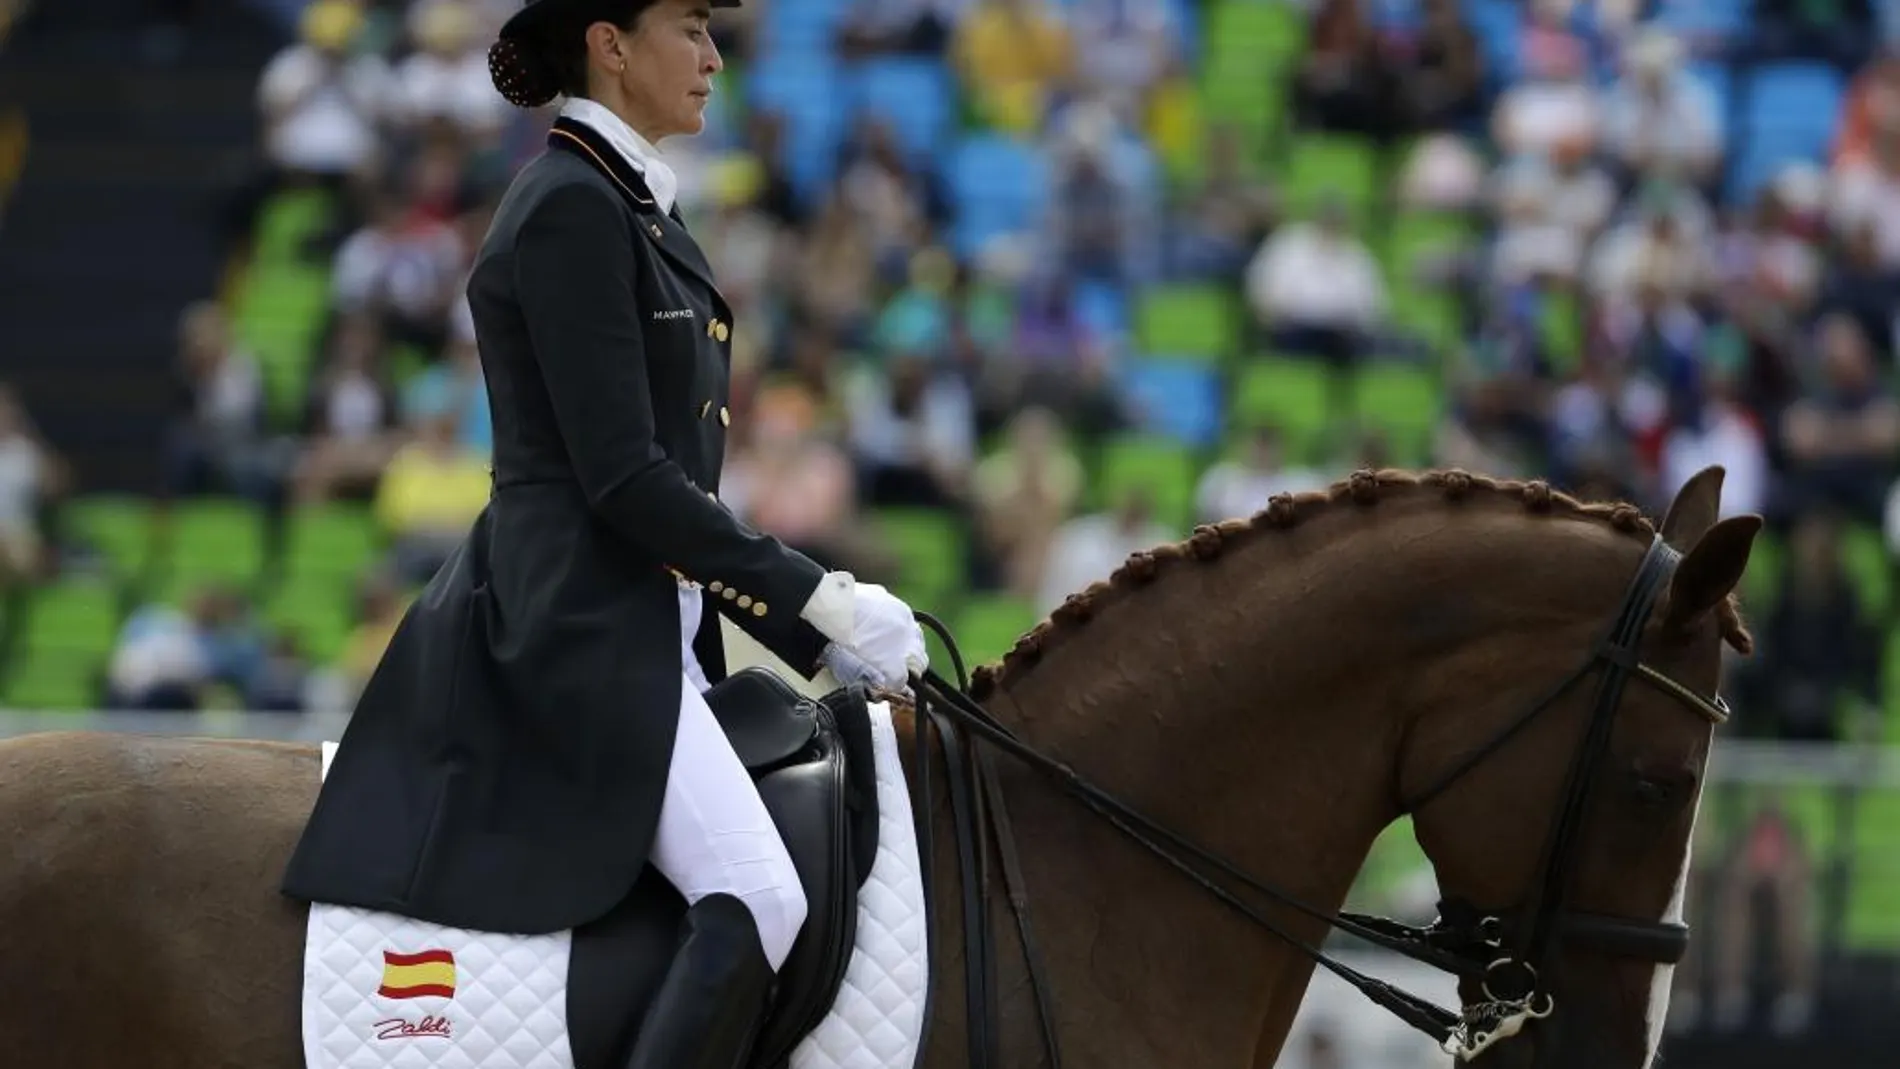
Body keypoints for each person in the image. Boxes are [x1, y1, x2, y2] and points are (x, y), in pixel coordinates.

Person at [277, 2, 930, 1067]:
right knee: (759, 894)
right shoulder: (573, 206)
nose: (716, 58)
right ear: (609, 43)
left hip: (643, 619)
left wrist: (810, 623)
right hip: (576, 625)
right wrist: (825, 604)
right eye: (689, 27)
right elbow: (627, 478)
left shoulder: (631, 209)